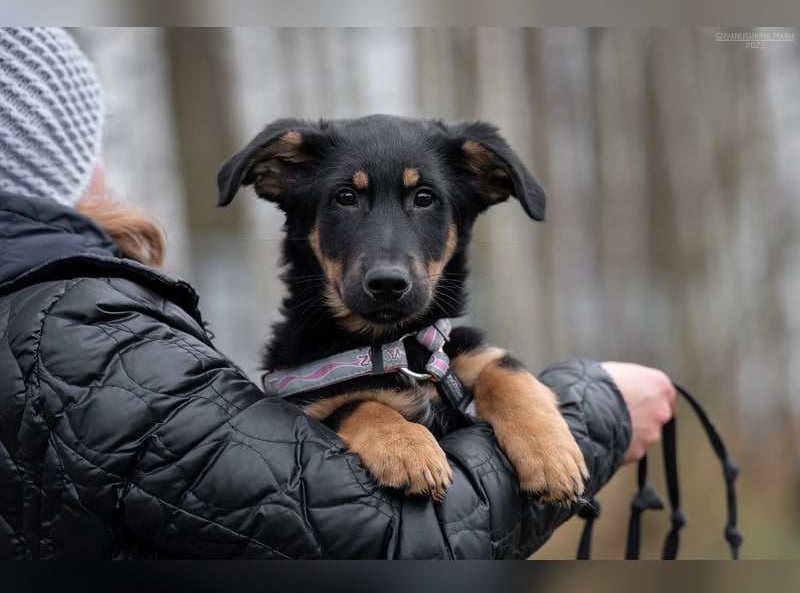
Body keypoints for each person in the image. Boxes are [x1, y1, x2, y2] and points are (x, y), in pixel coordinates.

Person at [0, 27, 676, 560]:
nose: (388, 258)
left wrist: (523, 400)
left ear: (477, 198)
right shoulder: (91, 335)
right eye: (347, 199)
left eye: (423, 199)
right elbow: (368, 525)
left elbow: (483, 368)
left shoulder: (457, 357)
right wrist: (367, 419)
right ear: (285, 187)